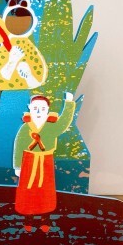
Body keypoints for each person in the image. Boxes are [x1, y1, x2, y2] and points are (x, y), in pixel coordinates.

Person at [13, 92, 76, 232]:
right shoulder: (25, 128)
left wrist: (69, 103)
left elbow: (64, 122)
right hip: (28, 162)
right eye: (35, 108)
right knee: (28, 190)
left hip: (45, 162)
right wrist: (17, 166)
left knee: (45, 191)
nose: (38, 112)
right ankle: (28, 219)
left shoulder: (52, 127)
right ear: (30, 108)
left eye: (42, 109)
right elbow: (18, 147)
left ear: (47, 110)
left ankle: (45, 219)